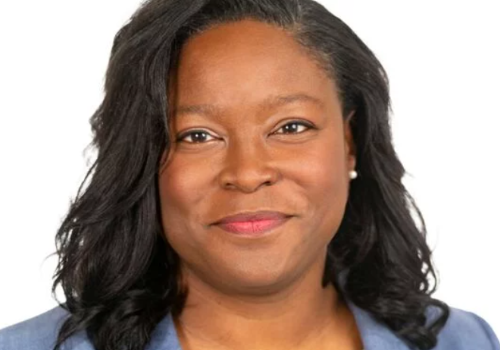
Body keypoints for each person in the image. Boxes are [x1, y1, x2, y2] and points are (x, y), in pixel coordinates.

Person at [0, 0, 499, 349]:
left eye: (290, 126)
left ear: (349, 142)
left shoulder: (466, 341)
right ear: (141, 159)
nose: (247, 173)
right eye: (197, 135)